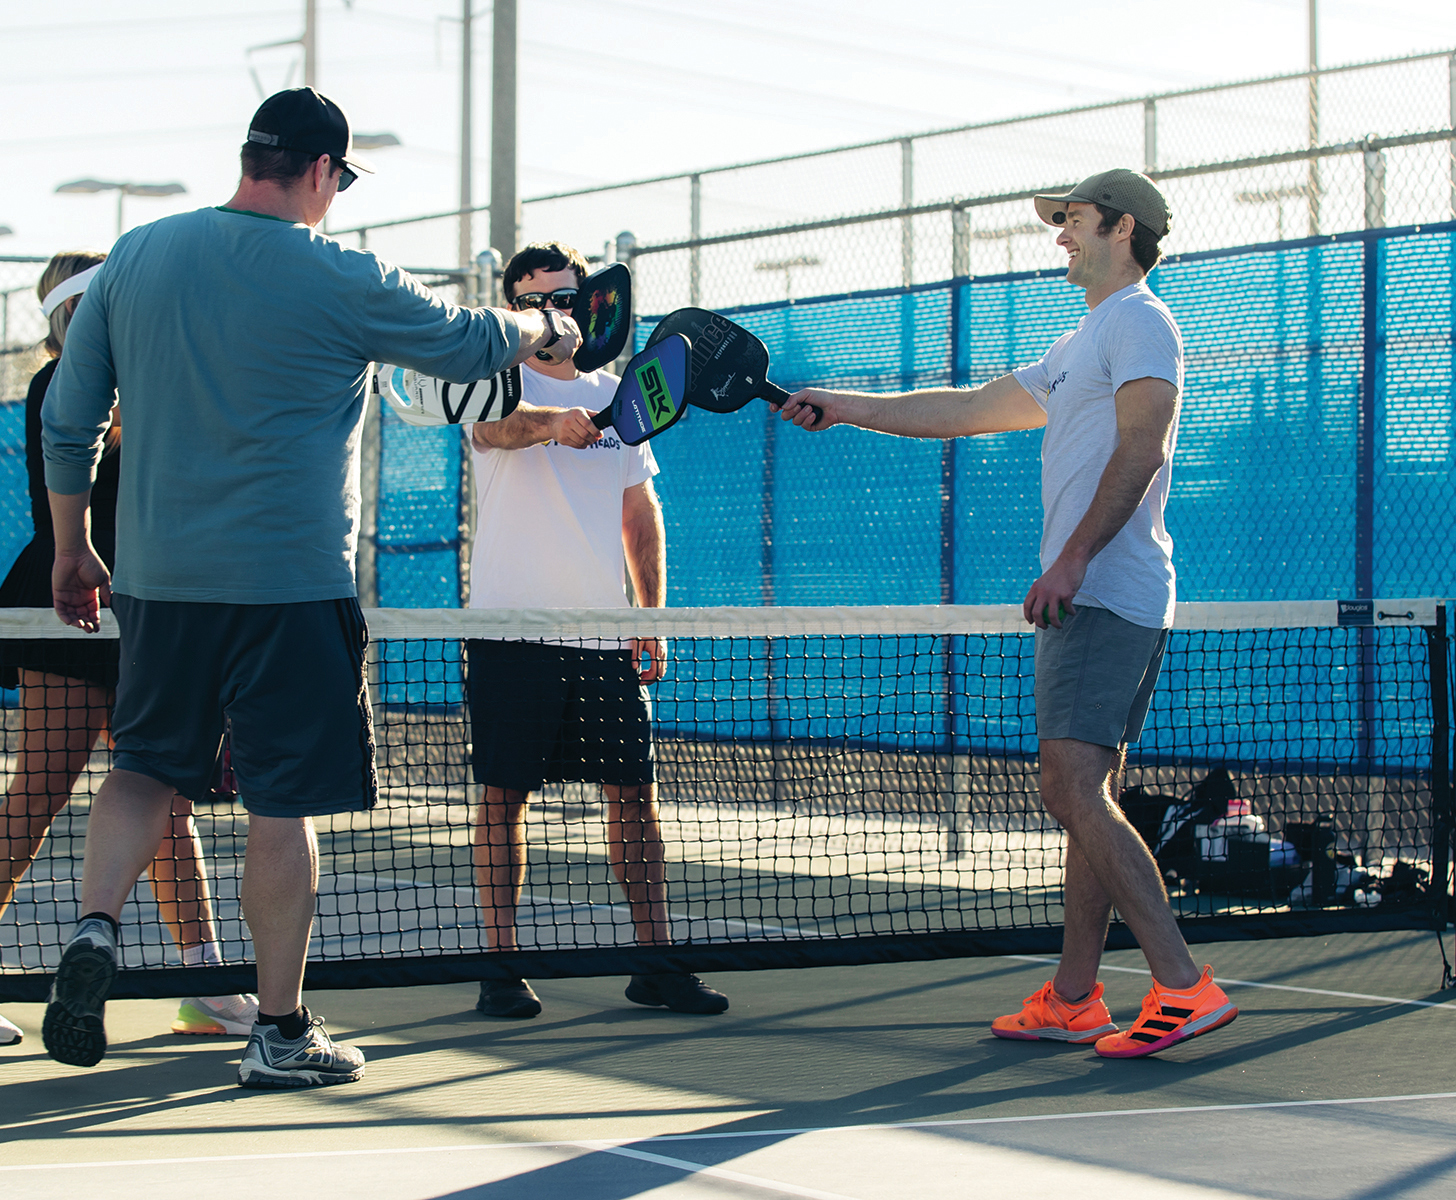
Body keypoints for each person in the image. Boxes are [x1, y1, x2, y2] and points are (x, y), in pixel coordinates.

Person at [38, 87, 582, 1088]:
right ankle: (280, 1034)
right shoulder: (343, 274)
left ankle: (95, 929)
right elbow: (468, 343)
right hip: (291, 588)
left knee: (143, 772)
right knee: (279, 811)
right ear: (323, 173)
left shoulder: (136, 259)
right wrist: (541, 322)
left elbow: (66, 422)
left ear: (252, 156)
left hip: (158, 586)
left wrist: (75, 549)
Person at [776, 169, 1237, 1058]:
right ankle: (1073, 997)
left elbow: (1146, 443)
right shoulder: (1081, 342)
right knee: (1085, 796)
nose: (1060, 234)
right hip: (1091, 592)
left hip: (1103, 589)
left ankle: (1184, 986)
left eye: (1073, 219)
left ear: (1121, 226)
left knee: (1066, 790)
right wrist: (845, 406)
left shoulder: (1141, 319)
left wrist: (1073, 559)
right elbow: (965, 410)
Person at [0, 253, 258, 1047]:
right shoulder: (63, 383)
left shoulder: (146, 381)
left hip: (145, 615)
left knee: (169, 805)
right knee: (38, 795)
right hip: (72, 612)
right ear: (79, 312)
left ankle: (204, 984)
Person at [461, 241, 728, 1020]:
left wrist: (650, 618)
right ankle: (500, 966)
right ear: (517, 308)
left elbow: (640, 515)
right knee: (502, 798)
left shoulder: (623, 394)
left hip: (604, 635)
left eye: (570, 299)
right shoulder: (492, 383)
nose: (560, 313)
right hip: (511, 633)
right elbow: (495, 434)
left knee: (635, 796)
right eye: (543, 301)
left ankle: (655, 962)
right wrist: (554, 423)